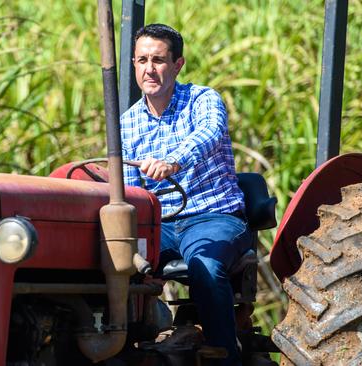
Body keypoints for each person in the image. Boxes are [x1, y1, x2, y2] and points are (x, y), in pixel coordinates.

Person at [121, 23, 252, 365]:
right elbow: (133, 191)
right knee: (116, 263)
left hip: (213, 216)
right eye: (142, 60)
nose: (149, 69)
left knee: (204, 265)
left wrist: (172, 161)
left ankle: (224, 355)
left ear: (177, 65)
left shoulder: (202, 99)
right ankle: (127, 346)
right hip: (160, 224)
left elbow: (209, 133)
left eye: (159, 60)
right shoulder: (127, 123)